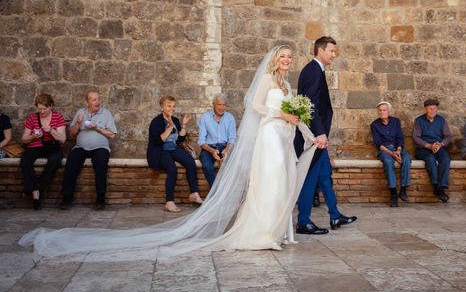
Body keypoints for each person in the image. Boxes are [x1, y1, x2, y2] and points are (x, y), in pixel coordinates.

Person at [20, 45, 318, 260]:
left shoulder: (286, 83)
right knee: (270, 182)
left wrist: (302, 127)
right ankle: (261, 233)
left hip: (281, 135)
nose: (287, 61)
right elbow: (255, 107)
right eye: (283, 57)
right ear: (274, 60)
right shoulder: (267, 80)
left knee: (279, 183)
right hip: (269, 134)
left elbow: (286, 110)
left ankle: (277, 231)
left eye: (290, 57)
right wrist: (281, 117)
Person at [295, 36, 357, 234]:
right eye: (331, 51)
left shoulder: (316, 70)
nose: (333, 55)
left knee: (324, 175)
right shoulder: (313, 70)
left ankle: (335, 215)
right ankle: (303, 221)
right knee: (310, 177)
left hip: (318, 136)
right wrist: (320, 133)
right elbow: (311, 104)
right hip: (314, 137)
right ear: (320, 50)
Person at [60, 90, 117, 210]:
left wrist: (98, 129)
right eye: (94, 100)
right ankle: (67, 197)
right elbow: (71, 135)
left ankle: (100, 197)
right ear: (87, 102)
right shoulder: (81, 112)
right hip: (81, 147)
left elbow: (112, 135)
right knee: (72, 160)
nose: (98, 102)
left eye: (98, 99)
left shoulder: (106, 113)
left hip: (100, 147)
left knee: (101, 162)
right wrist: (78, 123)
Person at [147, 95, 204, 212]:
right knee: (172, 169)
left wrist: (183, 125)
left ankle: (193, 193)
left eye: (173, 106)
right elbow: (158, 141)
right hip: (161, 150)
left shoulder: (176, 120)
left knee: (190, 162)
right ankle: (169, 202)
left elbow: (179, 140)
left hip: (173, 148)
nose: (172, 109)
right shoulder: (156, 122)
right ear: (162, 107)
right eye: (169, 106)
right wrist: (170, 127)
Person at [20, 93, 66, 210]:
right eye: (39, 109)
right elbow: (24, 139)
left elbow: (62, 139)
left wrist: (51, 130)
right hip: (35, 146)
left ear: (51, 106)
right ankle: (35, 193)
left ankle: (39, 186)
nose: (42, 111)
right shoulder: (33, 118)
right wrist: (33, 137)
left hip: (52, 146)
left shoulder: (58, 117)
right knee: (25, 159)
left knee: (55, 160)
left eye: (44, 109)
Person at [371, 101, 412, 207]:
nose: (382, 112)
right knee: (388, 162)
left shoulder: (396, 121)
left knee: (407, 158)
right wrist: (392, 154)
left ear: (388, 111)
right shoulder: (374, 125)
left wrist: (398, 151)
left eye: (384, 110)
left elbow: (400, 138)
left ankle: (403, 190)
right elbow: (378, 144)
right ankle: (393, 193)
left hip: (397, 148)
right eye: (380, 110)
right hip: (385, 150)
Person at [412, 98, 451, 203]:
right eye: (430, 108)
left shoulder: (441, 120)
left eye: (434, 108)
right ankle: (436, 187)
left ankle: (441, 187)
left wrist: (441, 144)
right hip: (423, 148)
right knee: (430, 159)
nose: (432, 110)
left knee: (445, 159)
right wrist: (428, 145)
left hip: (438, 146)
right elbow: (416, 138)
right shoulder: (419, 121)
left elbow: (447, 136)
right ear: (426, 109)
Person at [197, 93, 236, 187]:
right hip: (209, 148)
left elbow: (232, 138)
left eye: (224, 105)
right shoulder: (205, 117)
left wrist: (226, 150)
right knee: (206, 166)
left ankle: (225, 193)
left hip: (225, 147)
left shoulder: (230, 118)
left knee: (233, 165)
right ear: (213, 104)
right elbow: (201, 141)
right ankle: (217, 193)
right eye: (219, 104)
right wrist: (213, 151)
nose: (222, 107)